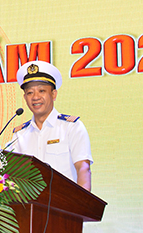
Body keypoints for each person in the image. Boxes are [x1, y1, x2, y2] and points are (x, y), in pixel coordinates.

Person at [7, 61, 92, 191]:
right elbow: (11, 176)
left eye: (41, 91)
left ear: (53, 94)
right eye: (30, 93)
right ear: (25, 97)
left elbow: (83, 168)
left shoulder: (71, 127)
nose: (35, 97)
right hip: (32, 203)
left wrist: (83, 203)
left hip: (66, 201)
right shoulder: (20, 135)